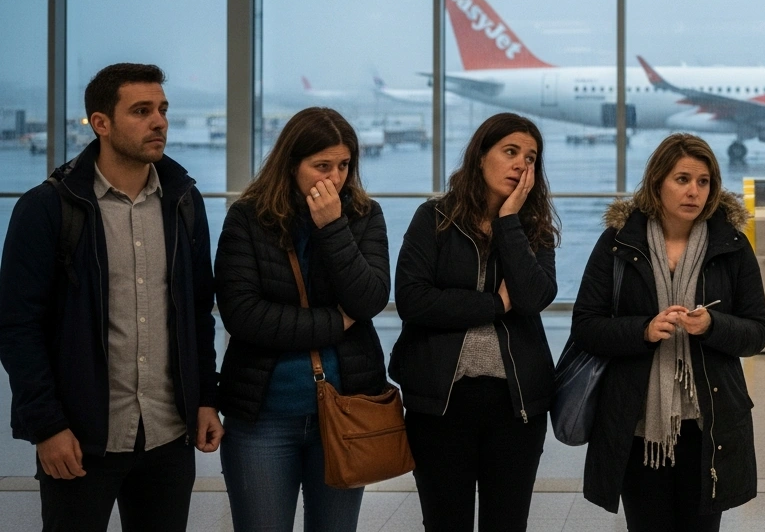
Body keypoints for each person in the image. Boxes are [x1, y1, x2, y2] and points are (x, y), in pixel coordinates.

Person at [0, 63, 222, 532]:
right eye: (141, 111)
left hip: (168, 436)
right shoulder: (48, 207)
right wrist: (47, 427)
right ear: (100, 123)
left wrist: (206, 398)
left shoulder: (183, 201)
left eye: (162, 109)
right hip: (81, 440)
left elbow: (198, 310)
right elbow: (17, 326)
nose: (158, 121)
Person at [571, 133, 765, 531]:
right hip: (637, 424)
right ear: (657, 182)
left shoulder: (731, 245)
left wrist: (713, 326)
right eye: (682, 179)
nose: (693, 191)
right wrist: (643, 330)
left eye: (703, 181)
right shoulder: (618, 242)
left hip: (708, 423)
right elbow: (586, 327)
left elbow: (758, 331)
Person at [214, 107, 391, 532]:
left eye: (344, 165)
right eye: (321, 166)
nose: (333, 178)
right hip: (264, 416)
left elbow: (368, 300)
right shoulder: (248, 218)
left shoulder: (364, 216)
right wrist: (336, 322)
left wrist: (332, 228)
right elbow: (244, 316)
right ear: (292, 164)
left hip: (346, 409)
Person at [389, 113, 559, 532]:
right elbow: (413, 301)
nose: (522, 164)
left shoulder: (534, 230)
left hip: (516, 406)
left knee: (507, 522)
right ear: (481, 156)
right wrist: (494, 306)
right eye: (511, 152)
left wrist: (508, 223)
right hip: (441, 403)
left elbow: (535, 297)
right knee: (447, 522)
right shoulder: (434, 219)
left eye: (531, 157)